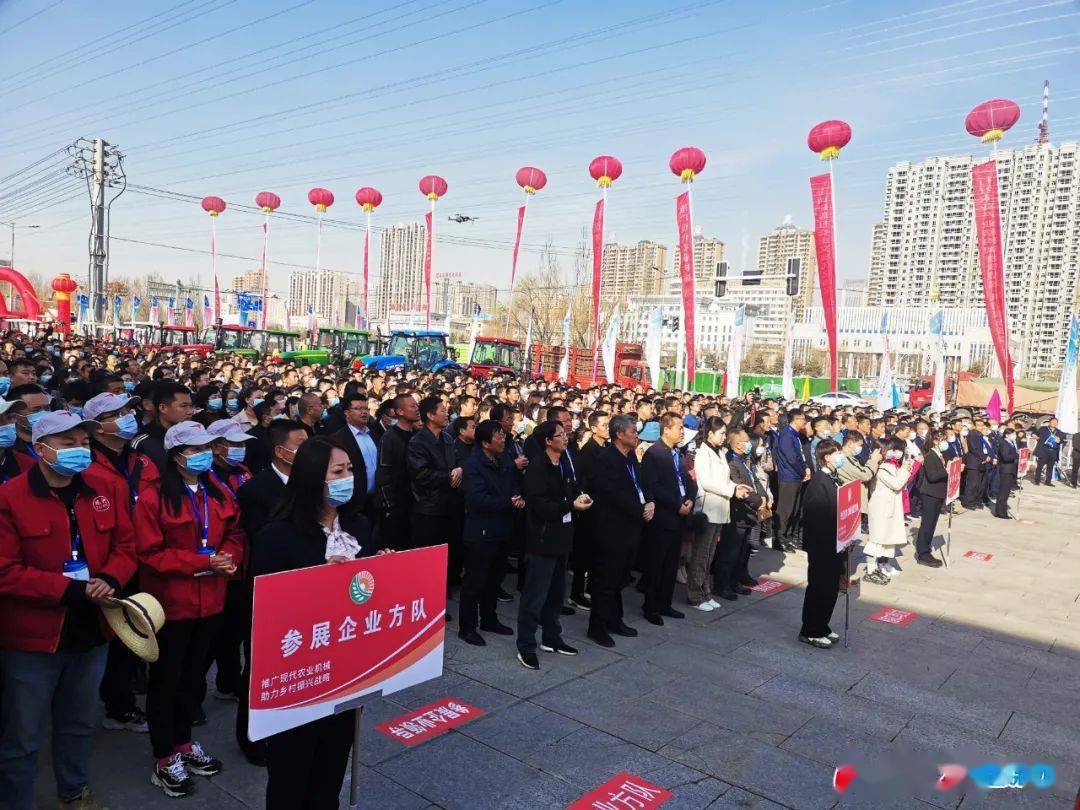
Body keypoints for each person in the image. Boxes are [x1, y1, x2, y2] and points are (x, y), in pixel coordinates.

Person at [0, 411, 136, 810]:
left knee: (77, 724)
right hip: (33, 638)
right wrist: (70, 590)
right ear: (41, 450)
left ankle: (74, 792)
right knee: (22, 735)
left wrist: (111, 576)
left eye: (82, 442)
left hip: (93, 630)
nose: (79, 450)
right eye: (66, 443)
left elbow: (126, 547)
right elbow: (5, 571)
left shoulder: (104, 488)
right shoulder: (10, 498)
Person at [252, 437, 382, 810]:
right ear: (312, 479)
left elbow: (368, 594)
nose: (348, 479)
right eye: (338, 472)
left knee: (331, 770)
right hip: (298, 678)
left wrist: (386, 572)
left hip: (347, 672)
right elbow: (265, 611)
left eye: (351, 471)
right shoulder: (278, 537)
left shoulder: (358, 525)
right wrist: (317, 581)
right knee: (292, 775)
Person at [134, 421, 244, 798]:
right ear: (177, 455)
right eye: (195, 449)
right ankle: (164, 756)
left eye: (207, 447)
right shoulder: (153, 497)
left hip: (211, 599)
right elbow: (149, 554)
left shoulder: (217, 491)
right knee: (167, 679)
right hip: (172, 604)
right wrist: (200, 563)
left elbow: (235, 532)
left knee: (196, 676)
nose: (204, 454)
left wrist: (229, 557)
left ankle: (183, 742)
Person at [233, 418, 307, 766]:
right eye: (300, 444)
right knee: (260, 664)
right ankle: (251, 736)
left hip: (305, 589)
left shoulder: (310, 483)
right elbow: (265, 539)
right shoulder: (256, 489)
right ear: (280, 451)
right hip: (269, 588)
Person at [516, 421, 591, 669]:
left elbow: (568, 494)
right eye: (560, 435)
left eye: (565, 434)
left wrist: (578, 499)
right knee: (534, 597)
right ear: (548, 440)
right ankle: (525, 645)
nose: (565, 438)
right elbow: (540, 506)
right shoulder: (538, 467)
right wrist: (570, 506)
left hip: (562, 538)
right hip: (542, 540)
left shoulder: (564, 464)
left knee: (556, 595)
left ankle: (552, 638)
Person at [586, 414, 653, 648]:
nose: (636, 435)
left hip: (630, 528)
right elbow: (613, 494)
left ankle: (615, 619)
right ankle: (597, 626)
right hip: (611, 529)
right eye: (633, 431)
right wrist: (639, 509)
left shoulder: (631, 457)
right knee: (606, 579)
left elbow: (640, 484)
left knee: (620, 577)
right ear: (619, 434)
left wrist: (649, 502)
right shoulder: (607, 459)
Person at [459, 419, 519, 645]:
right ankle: (467, 627)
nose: (503, 439)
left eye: (503, 435)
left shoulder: (503, 459)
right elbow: (477, 499)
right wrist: (509, 501)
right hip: (481, 532)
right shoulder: (473, 464)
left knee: (495, 579)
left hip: (501, 529)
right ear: (485, 442)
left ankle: (489, 619)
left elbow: (513, 483)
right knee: (475, 582)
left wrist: (515, 495)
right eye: (499, 436)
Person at [638, 412, 697, 625]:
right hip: (663, 517)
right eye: (679, 428)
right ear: (667, 429)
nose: (682, 432)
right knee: (657, 563)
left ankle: (665, 603)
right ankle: (651, 606)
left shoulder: (677, 454)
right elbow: (653, 487)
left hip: (679, 516)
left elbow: (688, 482)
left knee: (671, 563)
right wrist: (676, 505)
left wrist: (690, 499)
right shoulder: (654, 454)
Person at [687, 417, 740, 609]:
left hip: (720, 508)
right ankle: (695, 594)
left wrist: (736, 487)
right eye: (722, 434)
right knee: (701, 554)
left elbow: (725, 479)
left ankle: (705, 591)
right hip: (708, 508)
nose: (724, 437)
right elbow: (708, 482)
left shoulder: (719, 452)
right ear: (710, 433)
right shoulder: (703, 453)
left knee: (710, 554)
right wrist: (731, 490)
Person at [798, 439, 846, 649]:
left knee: (831, 588)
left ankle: (822, 625)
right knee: (820, 587)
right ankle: (811, 630)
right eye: (837, 453)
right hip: (823, 546)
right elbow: (817, 520)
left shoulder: (832, 478)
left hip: (835, 544)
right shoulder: (818, 483)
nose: (840, 456)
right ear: (827, 457)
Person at [407, 396, 462, 550]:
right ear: (430, 415)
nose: (447, 414)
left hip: (450, 506)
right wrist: (450, 476)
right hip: (428, 509)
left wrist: (460, 469)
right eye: (443, 411)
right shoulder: (418, 442)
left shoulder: (447, 438)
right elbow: (421, 475)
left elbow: (457, 462)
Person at [720, 428, 769, 600]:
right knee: (730, 553)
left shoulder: (743, 460)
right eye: (746, 441)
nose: (749, 444)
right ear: (738, 444)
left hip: (749, 514)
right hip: (738, 514)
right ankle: (723, 585)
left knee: (742, 551)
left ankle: (736, 581)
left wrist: (764, 496)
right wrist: (759, 501)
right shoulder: (731, 463)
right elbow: (741, 488)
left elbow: (754, 480)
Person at [864, 437, 912, 585]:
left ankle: (883, 564)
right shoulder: (880, 468)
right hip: (881, 508)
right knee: (877, 539)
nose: (895, 453)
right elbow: (897, 484)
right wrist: (905, 469)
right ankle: (871, 569)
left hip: (890, 507)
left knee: (888, 539)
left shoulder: (890, 465)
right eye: (891, 450)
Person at [374, 394, 420, 549]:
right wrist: (389, 506)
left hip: (416, 504)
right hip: (397, 505)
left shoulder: (418, 435)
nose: (417, 409)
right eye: (412, 406)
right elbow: (383, 473)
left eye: (416, 405)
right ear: (399, 411)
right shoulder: (390, 438)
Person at [331, 393, 378, 523]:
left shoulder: (374, 434)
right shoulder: (339, 439)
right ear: (347, 413)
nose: (364, 412)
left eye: (366, 409)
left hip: (377, 500)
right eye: (358, 409)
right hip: (355, 503)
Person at [774, 409, 809, 551]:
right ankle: (780, 539)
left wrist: (805, 468)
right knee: (785, 510)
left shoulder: (795, 435)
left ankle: (787, 537)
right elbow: (791, 458)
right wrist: (803, 470)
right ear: (795, 419)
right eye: (802, 419)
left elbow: (799, 455)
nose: (805, 422)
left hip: (796, 476)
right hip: (788, 477)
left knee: (794, 509)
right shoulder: (787, 435)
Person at [914, 431, 948, 567]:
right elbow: (933, 476)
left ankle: (926, 548)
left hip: (937, 493)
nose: (945, 442)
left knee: (932, 523)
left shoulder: (939, 455)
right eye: (942, 439)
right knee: (927, 524)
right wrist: (947, 470)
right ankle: (923, 553)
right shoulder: (929, 455)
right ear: (935, 441)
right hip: (930, 494)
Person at [994, 426, 1019, 519]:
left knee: (1006, 492)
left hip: (1010, 469)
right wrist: (1017, 455)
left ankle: (1000, 511)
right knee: (1003, 492)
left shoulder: (1011, 443)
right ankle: (1001, 512)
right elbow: (1005, 457)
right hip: (1006, 470)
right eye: (1013, 434)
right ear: (1007, 435)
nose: (1014, 436)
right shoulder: (1004, 443)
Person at [1033, 416, 1064, 486]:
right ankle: (1037, 480)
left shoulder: (1059, 432)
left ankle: (1048, 481)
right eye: (1053, 422)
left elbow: (1063, 440)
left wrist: (1059, 441)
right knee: (1040, 466)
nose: (1054, 423)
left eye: (1056, 422)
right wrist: (1034, 435)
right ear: (1049, 422)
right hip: (1043, 450)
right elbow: (1035, 433)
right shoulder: (1043, 429)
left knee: (1050, 467)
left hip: (1053, 452)